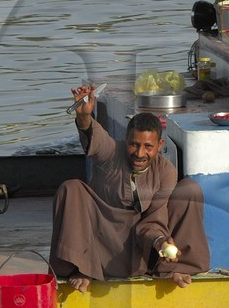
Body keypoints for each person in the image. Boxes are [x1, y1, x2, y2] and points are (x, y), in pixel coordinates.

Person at [49, 84, 210, 292]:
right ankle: (81, 267)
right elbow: (95, 137)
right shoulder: (111, 152)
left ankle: (175, 267)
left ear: (159, 145)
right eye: (134, 144)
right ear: (126, 141)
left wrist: (160, 242)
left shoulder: (166, 171)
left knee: (189, 190)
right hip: (102, 239)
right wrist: (84, 117)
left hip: (139, 248)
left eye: (148, 147)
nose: (140, 153)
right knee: (71, 188)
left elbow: (154, 221)